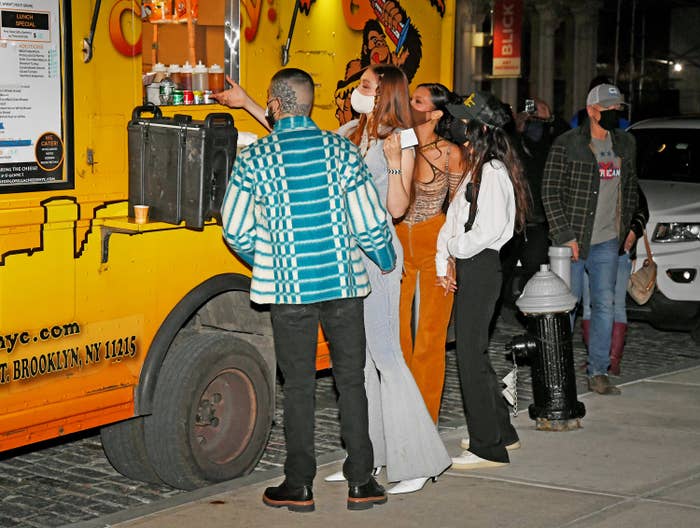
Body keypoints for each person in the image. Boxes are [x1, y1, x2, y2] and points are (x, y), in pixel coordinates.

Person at [220, 68, 396, 512]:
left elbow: (234, 227)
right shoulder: (341, 151)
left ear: (274, 105)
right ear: (310, 103)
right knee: (351, 382)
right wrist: (386, 259)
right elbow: (369, 219)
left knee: (298, 387)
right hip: (342, 286)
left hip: (289, 291)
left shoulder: (255, 158)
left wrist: (270, 261)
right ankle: (362, 483)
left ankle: (299, 485)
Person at [327, 64, 452, 494]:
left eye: (363, 85)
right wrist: (252, 104)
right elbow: (296, 135)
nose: (355, 91)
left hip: (379, 255)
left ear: (384, 93)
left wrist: (397, 164)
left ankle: (419, 459)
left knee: (386, 356)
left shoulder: (401, 139)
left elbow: (397, 208)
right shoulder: (351, 132)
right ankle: (369, 456)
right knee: (358, 362)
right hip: (347, 258)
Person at [435, 91, 528, 469]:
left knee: (470, 358)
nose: (458, 126)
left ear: (480, 128)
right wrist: (447, 253)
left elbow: (488, 230)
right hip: (473, 263)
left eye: (465, 121)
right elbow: (455, 216)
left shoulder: (492, 171)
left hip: (481, 264)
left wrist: (453, 248)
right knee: (475, 353)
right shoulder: (480, 167)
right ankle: (501, 430)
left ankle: (487, 447)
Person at [542, 83, 639, 395]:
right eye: (608, 108)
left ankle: (598, 371)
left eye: (617, 109)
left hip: (608, 240)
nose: (614, 113)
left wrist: (627, 230)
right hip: (573, 240)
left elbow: (632, 188)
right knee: (565, 306)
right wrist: (565, 235)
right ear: (592, 109)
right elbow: (550, 191)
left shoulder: (625, 143)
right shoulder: (567, 144)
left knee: (605, 305)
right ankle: (558, 369)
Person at [395, 83, 466, 422]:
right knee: (396, 337)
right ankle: (397, 418)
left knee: (429, 338)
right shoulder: (395, 142)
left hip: (433, 244)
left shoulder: (452, 153)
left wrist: (450, 256)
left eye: (418, 100)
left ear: (436, 113)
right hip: (395, 245)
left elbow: (459, 209)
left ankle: (424, 421)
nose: (410, 104)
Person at [500, 98, 570, 307]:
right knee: (504, 271)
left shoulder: (552, 145)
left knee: (535, 271)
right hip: (514, 220)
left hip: (538, 220)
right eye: (533, 119)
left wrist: (549, 117)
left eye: (540, 120)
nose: (535, 124)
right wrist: (517, 125)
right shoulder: (515, 141)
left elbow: (567, 135)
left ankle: (531, 313)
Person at [581, 186, 649, 375]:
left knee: (615, 304)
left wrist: (632, 232)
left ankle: (612, 360)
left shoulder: (625, 175)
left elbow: (642, 210)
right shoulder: (589, 175)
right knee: (589, 305)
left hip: (618, 249)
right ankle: (596, 358)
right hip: (590, 247)